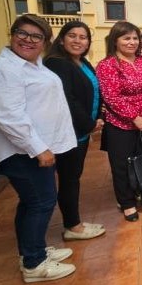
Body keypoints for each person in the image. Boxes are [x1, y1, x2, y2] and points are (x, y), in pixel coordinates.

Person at [0, 14, 77, 282]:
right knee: (41, 202)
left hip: (35, 147)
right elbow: (10, 116)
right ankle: (34, 265)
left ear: (44, 42)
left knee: (32, 202)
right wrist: (39, 148)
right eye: (23, 33)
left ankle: (34, 250)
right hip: (23, 151)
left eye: (36, 36)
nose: (28, 40)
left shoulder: (31, 65)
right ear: (12, 34)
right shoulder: (2, 70)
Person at [96, 21, 142, 222]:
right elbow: (111, 97)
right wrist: (134, 118)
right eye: (126, 38)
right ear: (115, 41)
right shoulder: (107, 65)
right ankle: (127, 203)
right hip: (122, 125)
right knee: (122, 165)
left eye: (135, 38)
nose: (132, 42)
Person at [43, 21, 106, 241]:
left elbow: (94, 92)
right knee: (69, 179)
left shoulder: (80, 62)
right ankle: (73, 226)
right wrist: (90, 124)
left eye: (83, 37)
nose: (78, 41)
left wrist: (98, 117)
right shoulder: (57, 63)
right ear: (61, 39)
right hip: (67, 132)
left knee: (72, 178)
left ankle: (73, 222)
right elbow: (67, 100)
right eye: (73, 36)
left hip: (80, 131)